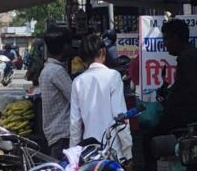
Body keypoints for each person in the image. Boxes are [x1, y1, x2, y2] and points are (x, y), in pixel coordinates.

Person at [70, 34, 133, 163]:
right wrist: (128, 154)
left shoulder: (77, 82)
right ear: (103, 52)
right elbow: (121, 118)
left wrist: (74, 156)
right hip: (113, 151)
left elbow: (75, 124)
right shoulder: (113, 77)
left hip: (89, 152)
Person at [158, 17, 197, 133]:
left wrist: (170, 99)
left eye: (166, 39)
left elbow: (190, 90)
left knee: (150, 138)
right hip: (188, 114)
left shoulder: (187, 58)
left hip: (189, 117)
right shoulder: (191, 54)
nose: (165, 44)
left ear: (176, 38)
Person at [39, 26, 73, 160]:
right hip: (62, 134)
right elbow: (75, 98)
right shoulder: (57, 72)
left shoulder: (47, 70)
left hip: (54, 134)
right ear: (64, 47)